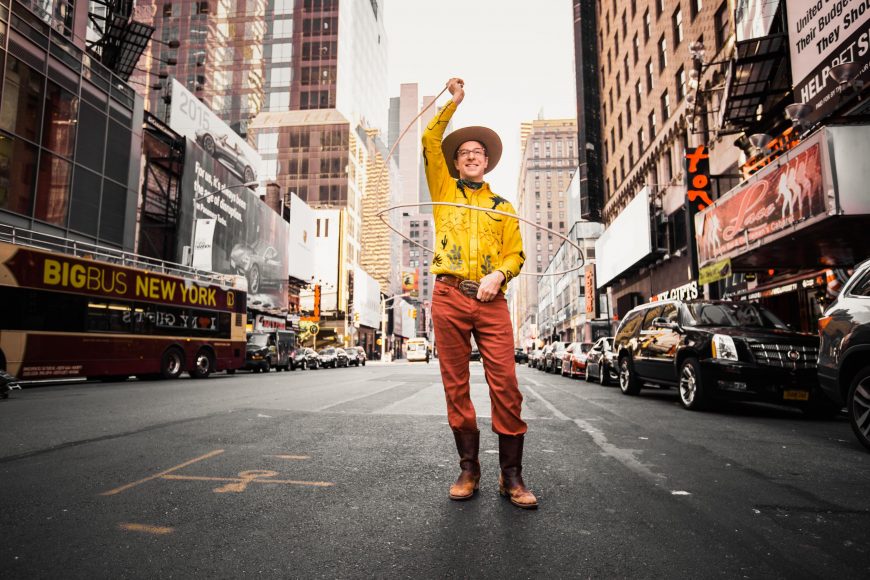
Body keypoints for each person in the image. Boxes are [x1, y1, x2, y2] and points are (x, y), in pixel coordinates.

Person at [421, 77, 537, 509]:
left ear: (487, 162)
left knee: (505, 385)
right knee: (456, 385)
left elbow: (516, 254)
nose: (471, 157)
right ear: (455, 162)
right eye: (464, 153)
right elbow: (430, 139)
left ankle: (512, 475)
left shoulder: (502, 207)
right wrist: (453, 102)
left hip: (491, 301)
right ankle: (469, 468)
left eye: (478, 154)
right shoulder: (444, 190)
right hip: (448, 296)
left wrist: (499, 277)